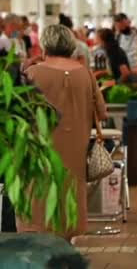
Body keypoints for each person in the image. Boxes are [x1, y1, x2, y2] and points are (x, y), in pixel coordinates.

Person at [19, 24, 107, 239]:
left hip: (40, 151)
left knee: (38, 203)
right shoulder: (86, 74)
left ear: (44, 45)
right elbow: (102, 112)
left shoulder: (32, 73)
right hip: (76, 152)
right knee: (71, 199)